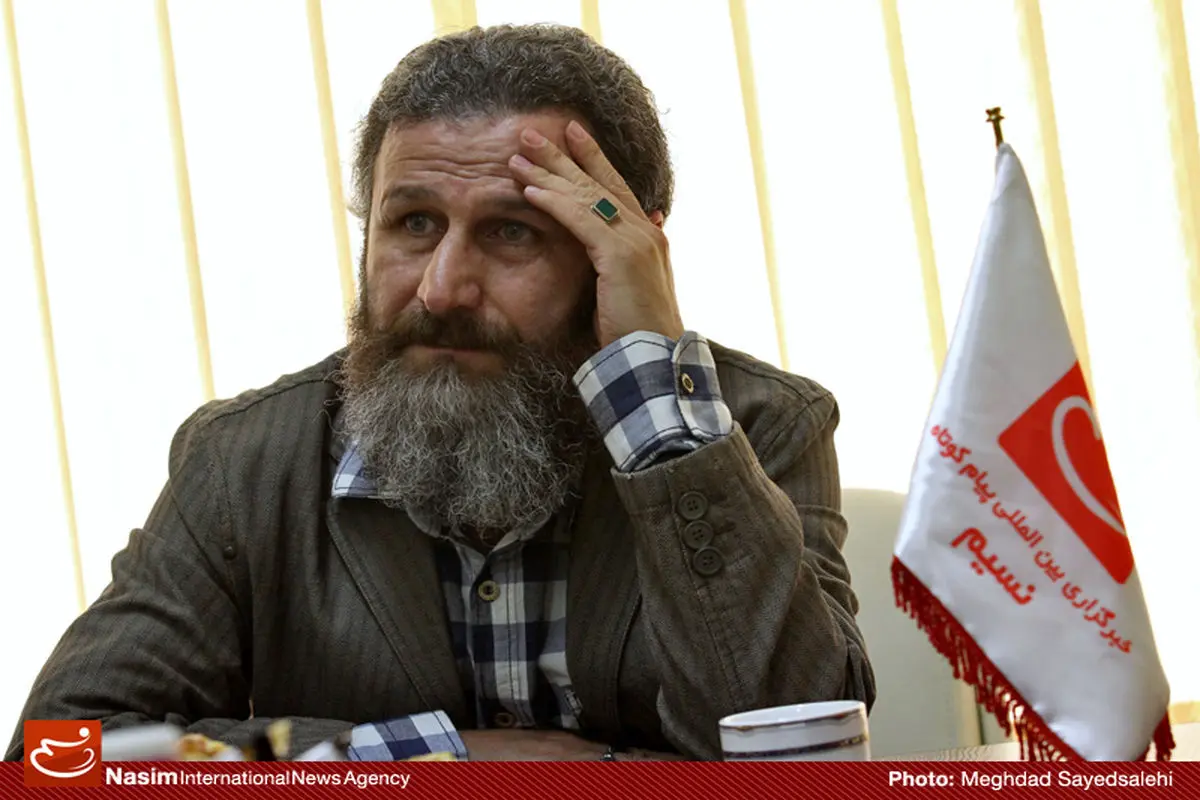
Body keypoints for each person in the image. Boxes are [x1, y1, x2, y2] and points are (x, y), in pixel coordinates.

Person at [6, 23, 873, 762]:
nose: (441, 288)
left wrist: (657, 399)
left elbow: (800, 754)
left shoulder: (758, 427)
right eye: (414, 223)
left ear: (621, 256)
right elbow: (59, 756)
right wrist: (443, 758)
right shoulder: (244, 462)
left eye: (512, 231)